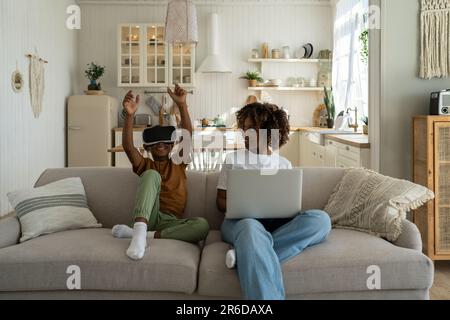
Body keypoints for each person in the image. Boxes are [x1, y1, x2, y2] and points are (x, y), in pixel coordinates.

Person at [216, 102, 332, 300]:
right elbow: (219, 202)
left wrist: (286, 209)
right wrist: (244, 206)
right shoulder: (232, 160)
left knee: (321, 220)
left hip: (276, 225)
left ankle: (245, 254)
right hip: (242, 224)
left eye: (251, 128)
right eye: (243, 128)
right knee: (252, 230)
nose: (245, 133)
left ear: (269, 131)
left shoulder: (283, 164)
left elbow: (290, 203)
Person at [113, 85, 209, 261]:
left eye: (165, 142)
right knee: (151, 174)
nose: (161, 144)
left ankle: (143, 236)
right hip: (149, 215)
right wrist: (129, 116)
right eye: (155, 143)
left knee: (202, 225)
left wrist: (182, 105)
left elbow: (187, 135)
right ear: (147, 148)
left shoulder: (179, 163)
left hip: (170, 222)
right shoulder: (145, 164)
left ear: (172, 145)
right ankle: (140, 230)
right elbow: (128, 147)